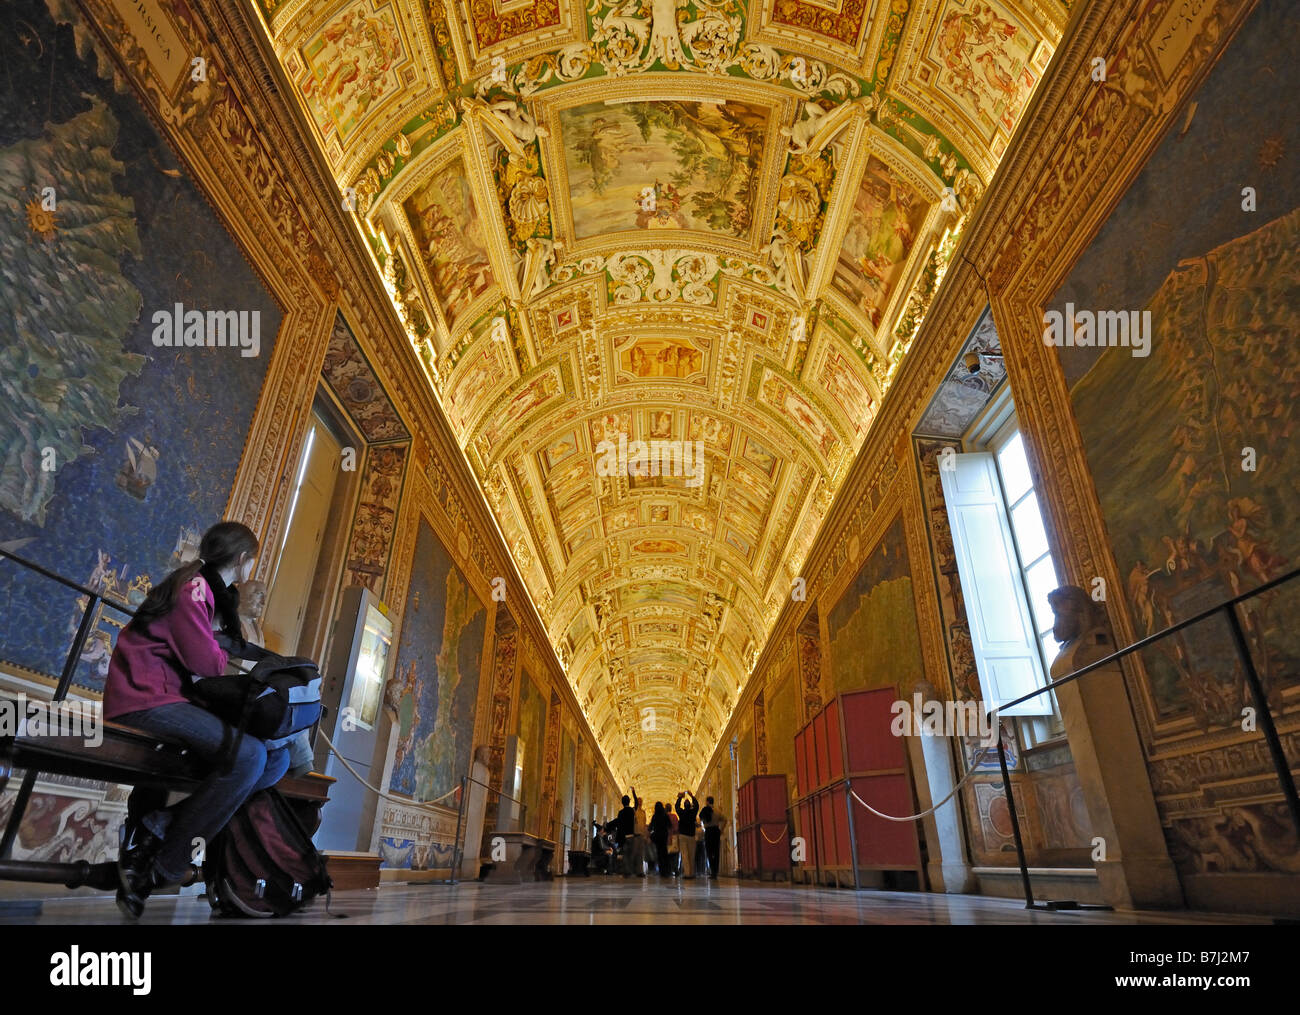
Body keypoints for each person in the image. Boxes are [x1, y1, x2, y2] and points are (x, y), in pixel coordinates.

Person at [104, 522, 291, 918]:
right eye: (251, 562)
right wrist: (219, 652)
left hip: (171, 697)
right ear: (242, 560)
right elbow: (206, 662)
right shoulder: (193, 588)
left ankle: (158, 828)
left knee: (276, 758)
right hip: (145, 699)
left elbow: (207, 658)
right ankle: (162, 864)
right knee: (251, 757)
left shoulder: (204, 590)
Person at [675, 790, 700, 879]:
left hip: (683, 836)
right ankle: (691, 873)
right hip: (691, 836)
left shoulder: (681, 813)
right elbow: (697, 805)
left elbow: (677, 807)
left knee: (685, 855)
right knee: (691, 855)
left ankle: (687, 873)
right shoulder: (693, 812)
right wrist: (691, 796)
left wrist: (680, 798)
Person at [700, 796, 726, 879]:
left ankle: (712, 871)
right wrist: (721, 829)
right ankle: (716, 871)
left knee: (709, 851)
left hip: (708, 832)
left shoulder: (705, 810)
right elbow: (725, 819)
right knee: (716, 851)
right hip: (716, 831)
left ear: (707, 802)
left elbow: (701, 819)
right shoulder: (718, 811)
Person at [649, 801, 671, 878]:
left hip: (657, 837)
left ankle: (661, 871)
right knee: (665, 853)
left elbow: (650, 827)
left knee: (659, 854)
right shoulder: (665, 815)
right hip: (664, 836)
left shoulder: (654, 816)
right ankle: (667, 871)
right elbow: (669, 825)